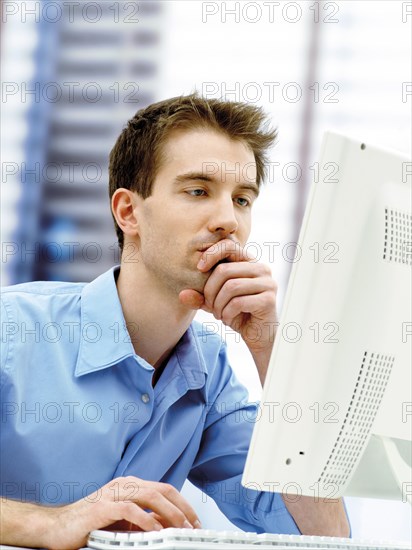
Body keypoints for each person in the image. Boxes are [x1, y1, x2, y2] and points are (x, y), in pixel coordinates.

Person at [0, 94, 350, 549]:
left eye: (242, 199)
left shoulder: (211, 376)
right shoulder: (14, 329)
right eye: (198, 190)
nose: (228, 220)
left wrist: (270, 349)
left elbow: (322, 535)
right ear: (129, 212)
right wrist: (48, 525)